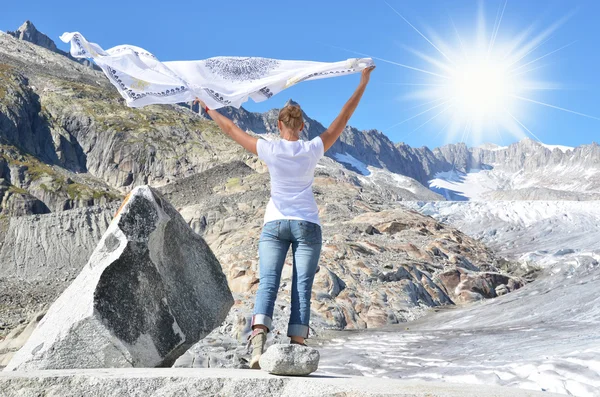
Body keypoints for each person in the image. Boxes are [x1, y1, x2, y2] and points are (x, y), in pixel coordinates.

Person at [194, 65, 375, 369]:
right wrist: (363, 81)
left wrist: (209, 105)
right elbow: (343, 117)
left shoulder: (270, 149)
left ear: (278, 125)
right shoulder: (313, 149)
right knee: (302, 286)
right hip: (307, 225)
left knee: (268, 283)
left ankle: (257, 346)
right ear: (303, 125)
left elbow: (230, 130)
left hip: (274, 224)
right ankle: (297, 347)